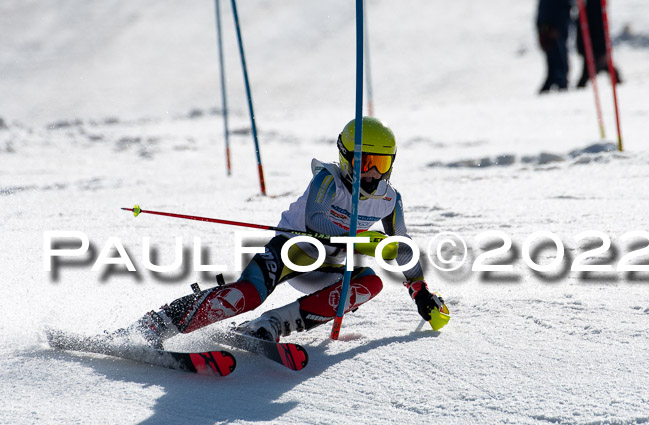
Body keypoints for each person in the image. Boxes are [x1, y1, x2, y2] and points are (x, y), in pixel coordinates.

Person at [123, 117, 450, 348]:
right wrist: (363, 240)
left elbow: (402, 248)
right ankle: (159, 323)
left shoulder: (390, 201)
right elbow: (316, 222)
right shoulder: (328, 180)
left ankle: (271, 325)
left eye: (381, 163)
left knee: (372, 282)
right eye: (366, 162)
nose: (373, 173)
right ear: (347, 158)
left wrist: (420, 291)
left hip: (332, 268)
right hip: (292, 252)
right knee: (247, 295)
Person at [575, 0, 622, 88]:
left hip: (591, 48)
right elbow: (598, 30)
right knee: (588, 73)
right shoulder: (595, 8)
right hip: (594, 49)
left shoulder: (589, 7)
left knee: (589, 73)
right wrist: (602, 49)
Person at [536, 0, 574, 93]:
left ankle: (562, 87)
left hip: (557, 29)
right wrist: (544, 28)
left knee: (560, 68)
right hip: (550, 29)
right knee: (554, 68)